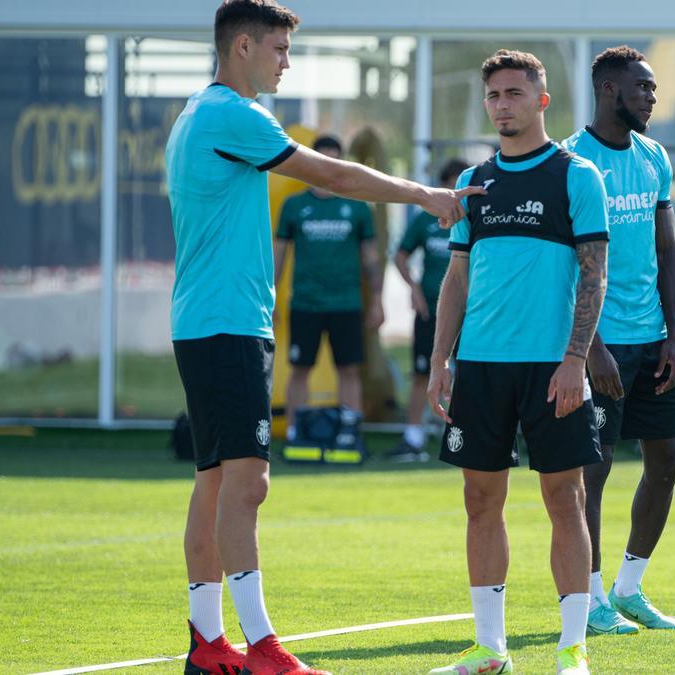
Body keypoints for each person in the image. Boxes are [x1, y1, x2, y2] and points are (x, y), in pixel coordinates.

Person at [166, 2, 480, 673]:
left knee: (217, 482)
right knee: (248, 483)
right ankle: (261, 647)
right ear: (243, 45)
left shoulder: (195, 112)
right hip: (224, 323)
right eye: (279, 49)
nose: (286, 61)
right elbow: (332, 175)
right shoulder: (232, 114)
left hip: (204, 320)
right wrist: (424, 194)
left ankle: (208, 641)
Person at [426, 49, 608, 675]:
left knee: (566, 498)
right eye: (494, 96)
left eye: (514, 93)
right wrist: (439, 361)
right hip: (480, 366)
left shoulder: (576, 176)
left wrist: (575, 358)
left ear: (541, 100)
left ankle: (571, 649)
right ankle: (489, 649)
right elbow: (457, 278)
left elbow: (594, 274)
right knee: (480, 500)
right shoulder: (474, 183)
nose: (503, 105)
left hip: (551, 366)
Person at [561, 45, 675, 636]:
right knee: (595, 469)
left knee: (667, 462)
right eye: (644, 88)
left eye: (653, 88)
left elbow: (668, 252)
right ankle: (589, 602)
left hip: (652, 340)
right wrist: (592, 347)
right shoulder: (569, 162)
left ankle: (629, 590)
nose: (652, 98)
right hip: (597, 345)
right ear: (610, 90)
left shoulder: (654, 156)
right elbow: (561, 269)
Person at [273, 134, 383, 441]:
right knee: (299, 369)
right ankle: (296, 433)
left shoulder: (358, 208)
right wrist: (268, 298)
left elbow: (371, 259)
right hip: (305, 303)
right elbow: (278, 255)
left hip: (346, 303)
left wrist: (377, 300)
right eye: (323, 160)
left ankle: (350, 434)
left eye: (335, 160)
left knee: (348, 369)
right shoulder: (294, 206)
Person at [391, 158, 470, 460]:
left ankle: (462, 435)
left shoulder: (474, 216)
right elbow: (400, 255)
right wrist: (413, 289)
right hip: (431, 313)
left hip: (470, 312)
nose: (454, 189)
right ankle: (413, 438)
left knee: (471, 374)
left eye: (458, 184)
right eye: (450, 183)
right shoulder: (427, 218)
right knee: (422, 373)